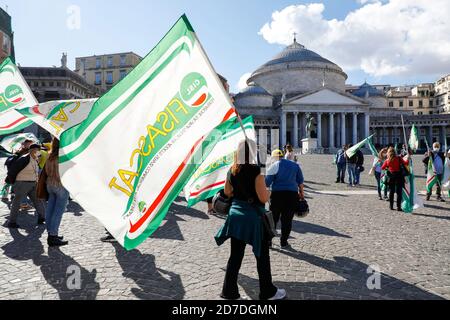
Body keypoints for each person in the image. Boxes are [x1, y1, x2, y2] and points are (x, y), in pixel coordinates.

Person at [215, 140, 286, 301]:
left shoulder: (231, 170)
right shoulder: (255, 171)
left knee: (235, 256)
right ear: (253, 152)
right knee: (262, 254)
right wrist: (268, 192)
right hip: (252, 218)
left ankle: (229, 293)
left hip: (235, 216)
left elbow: (227, 191)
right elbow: (263, 197)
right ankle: (268, 292)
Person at [265, 149, 304, 249]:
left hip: (277, 195)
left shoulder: (274, 165)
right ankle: (284, 242)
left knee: (273, 219)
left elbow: (267, 183)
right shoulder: (295, 165)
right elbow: (300, 182)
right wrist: (302, 195)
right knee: (287, 219)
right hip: (292, 195)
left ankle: (268, 240)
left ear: (273, 157)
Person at [6, 144, 45, 228]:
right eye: (38, 150)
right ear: (32, 150)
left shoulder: (35, 158)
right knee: (17, 202)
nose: (39, 152)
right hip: (22, 183)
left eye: (39, 150)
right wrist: (13, 182)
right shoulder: (24, 158)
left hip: (33, 183)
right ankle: (12, 222)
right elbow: (13, 171)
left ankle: (42, 218)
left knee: (37, 200)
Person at [44, 138, 70, 246]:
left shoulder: (50, 156)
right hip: (60, 185)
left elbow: (46, 171)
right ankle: (53, 236)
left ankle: (51, 232)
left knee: (50, 209)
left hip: (50, 184)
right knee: (58, 212)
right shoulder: (63, 156)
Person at [381, 147, 409, 211]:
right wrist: (408, 158)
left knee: (391, 192)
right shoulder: (399, 158)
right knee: (399, 192)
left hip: (391, 177)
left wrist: (388, 168)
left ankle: (391, 206)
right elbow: (406, 163)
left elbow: (382, 167)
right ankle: (398, 207)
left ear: (388, 153)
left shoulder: (387, 160)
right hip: (399, 176)